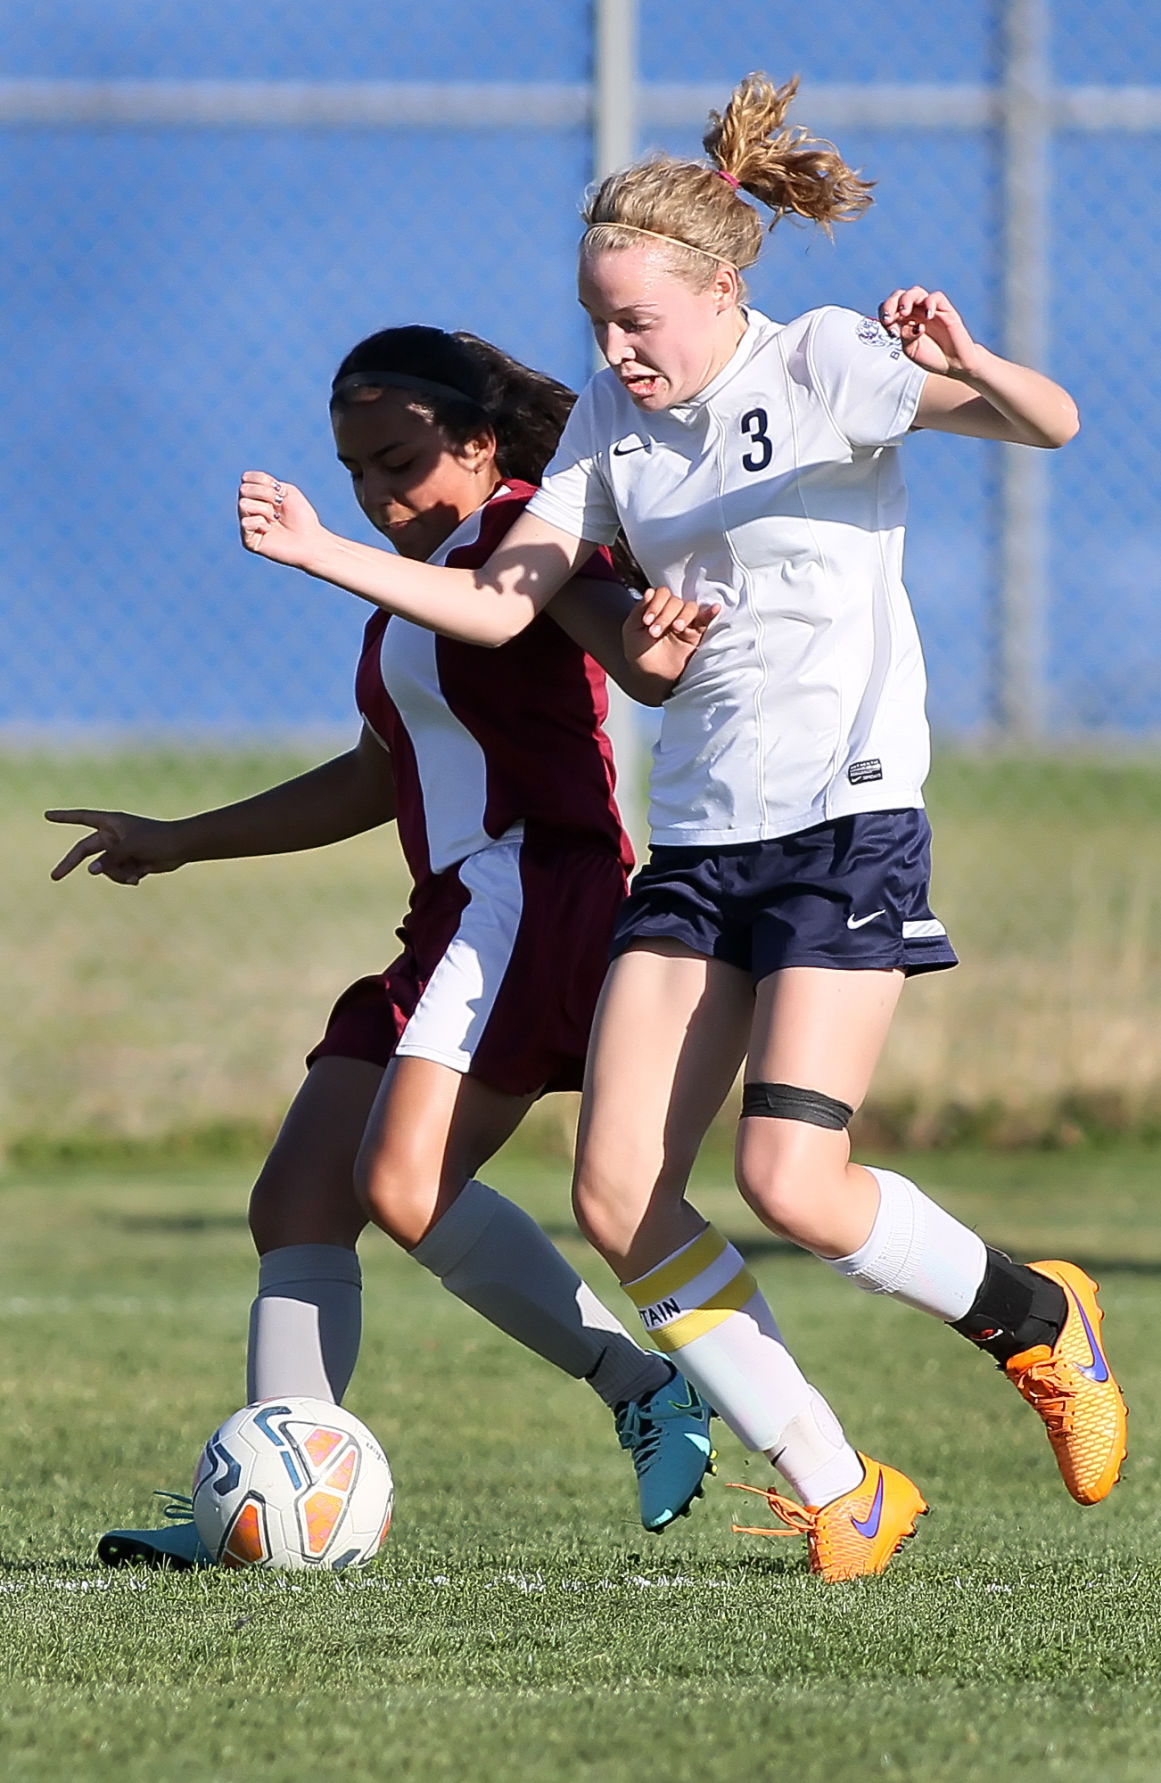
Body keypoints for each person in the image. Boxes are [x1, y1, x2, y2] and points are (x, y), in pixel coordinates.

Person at [235, 74, 1127, 1584]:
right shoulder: (602, 429)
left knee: (793, 1181)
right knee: (614, 1192)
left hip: (846, 822)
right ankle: (845, 1489)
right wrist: (330, 556)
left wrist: (971, 359)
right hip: (703, 846)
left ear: (722, 290)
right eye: (596, 322)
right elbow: (495, 600)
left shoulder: (830, 361)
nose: (613, 351)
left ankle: (1040, 1319)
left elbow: (1051, 424)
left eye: (639, 321)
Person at [47, 325, 721, 1568]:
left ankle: (645, 1386)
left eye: (403, 462)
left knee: (405, 1188)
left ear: (478, 445)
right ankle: (266, 1511)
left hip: (536, 896)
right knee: (297, 1198)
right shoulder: (431, 570)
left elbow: (613, 637)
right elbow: (378, 773)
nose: (380, 494)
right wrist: (180, 838)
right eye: (356, 471)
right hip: (456, 913)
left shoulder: (525, 536)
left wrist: (325, 549)